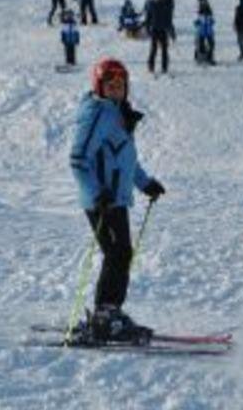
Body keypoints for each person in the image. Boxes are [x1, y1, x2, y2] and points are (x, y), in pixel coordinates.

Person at [70, 58, 166, 342]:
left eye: (120, 86)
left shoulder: (118, 114)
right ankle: (104, 315)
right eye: (110, 86)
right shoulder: (98, 113)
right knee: (117, 253)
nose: (116, 90)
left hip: (117, 199)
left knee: (122, 253)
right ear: (100, 87)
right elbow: (78, 159)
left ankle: (112, 311)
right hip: (101, 199)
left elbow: (125, 160)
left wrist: (145, 183)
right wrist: (97, 192)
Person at [145, 0, 173, 74]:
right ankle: (151, 66)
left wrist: (171, 31)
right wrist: (147, 28)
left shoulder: (165, 5)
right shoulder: (152, 5)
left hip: (163, 30)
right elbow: (148, 17)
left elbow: (168, 19)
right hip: (154, 30)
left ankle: (164, 67)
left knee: (164, 49)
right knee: (154, 49)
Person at [193, 0, 216, 65]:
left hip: (206, 31)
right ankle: (202, 57)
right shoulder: (201, 9)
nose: (201, 3)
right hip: (203, 31)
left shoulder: (207, 9)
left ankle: (208, 58)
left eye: (201, 1)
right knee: (201, 45)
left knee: (210, 45)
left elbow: (209, 19)